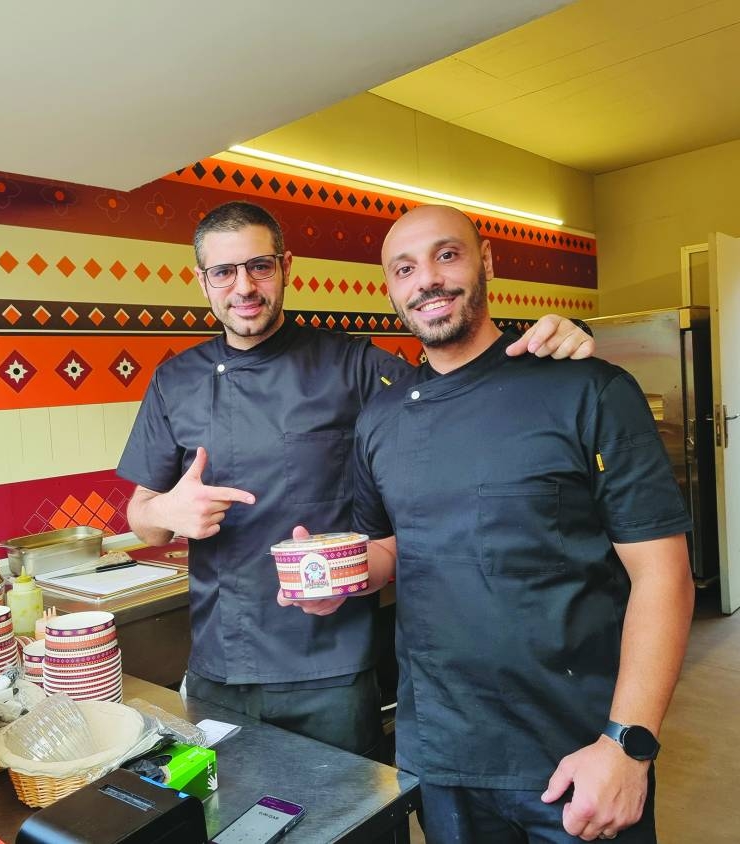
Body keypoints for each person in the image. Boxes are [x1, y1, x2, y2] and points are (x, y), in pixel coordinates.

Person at [116, 200, 596, 756]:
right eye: (223, 272)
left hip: (331, 667)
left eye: (260, 266)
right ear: (203, 282)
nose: (243, 287)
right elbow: (143, 521)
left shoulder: (353, 366)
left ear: (287, 266)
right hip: (218, 665)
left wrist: (556, 342)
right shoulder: (175, 381)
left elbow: (460, 389)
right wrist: (165, 512)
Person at [342, 204, 693, 842]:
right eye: (405, 268)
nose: (427, 280)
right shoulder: (381, 419)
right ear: (391, 289)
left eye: (446, 255)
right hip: (444, 757)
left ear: (487, 263)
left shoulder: (585, 388)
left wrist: (627, 744)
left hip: (578, 753)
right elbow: (395, 546)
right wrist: (339, 574)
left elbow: (664, 576)